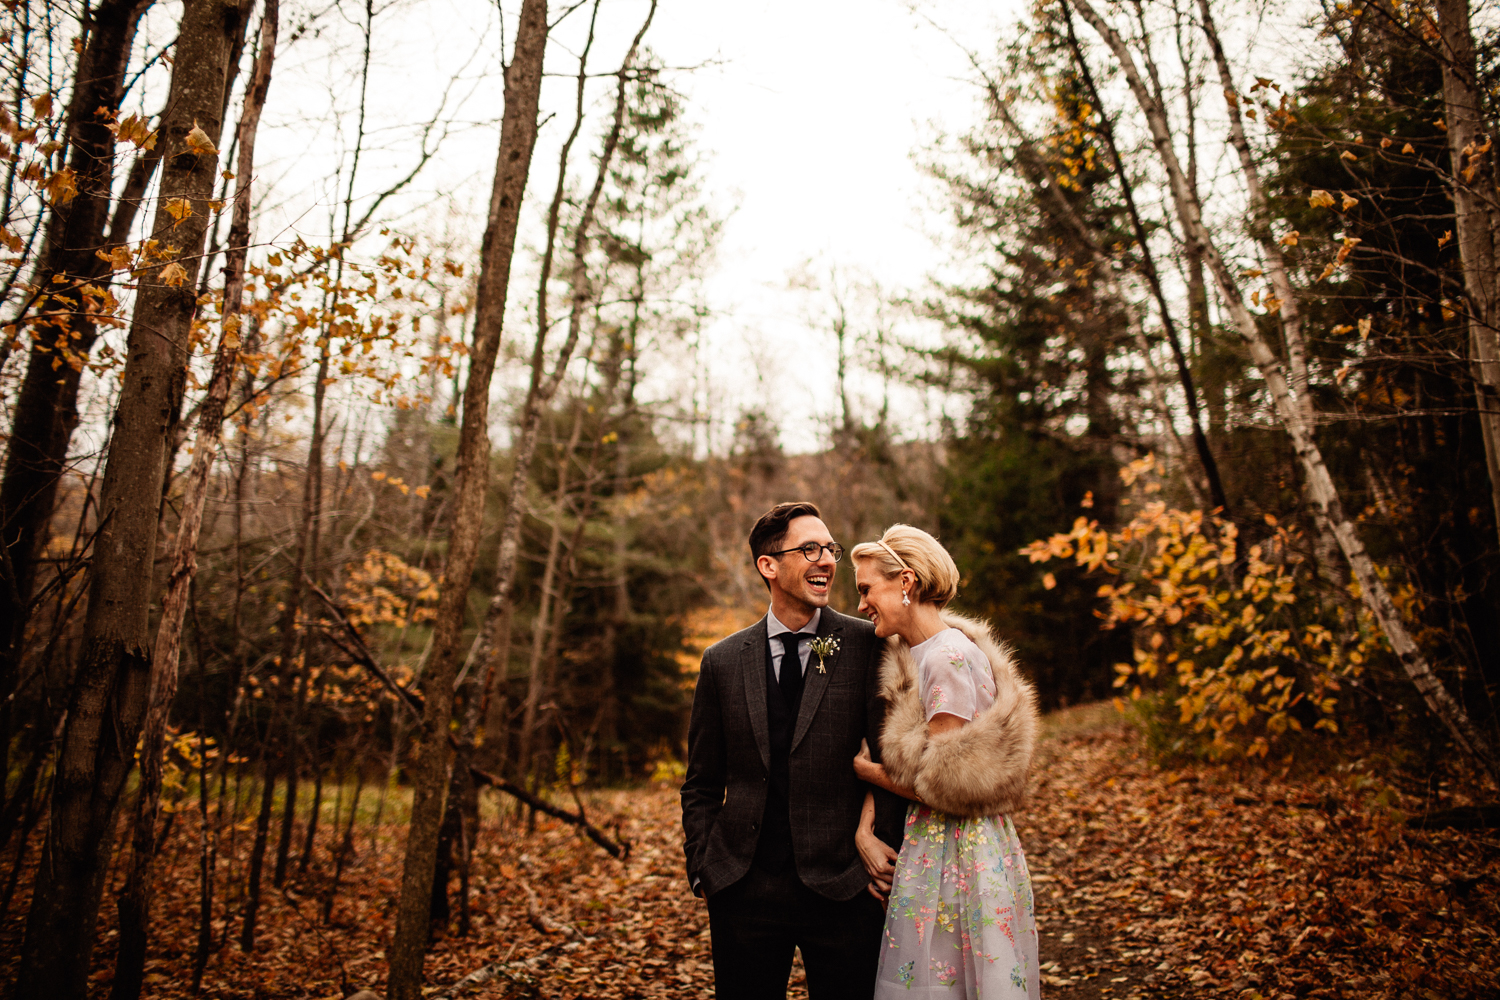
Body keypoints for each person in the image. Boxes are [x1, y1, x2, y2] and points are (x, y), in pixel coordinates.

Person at [681, 501, 905, 1000]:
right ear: (769, 566)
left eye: (830, 548)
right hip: (742, 890)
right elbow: (700, 780)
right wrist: (705, 869)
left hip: (846, 888)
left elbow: (892, 758)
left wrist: (879, 850)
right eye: (809, 549)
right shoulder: (721, 662)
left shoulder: (867, 645)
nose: (826, 560)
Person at [850, 524, 1041, 999]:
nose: (860, 605)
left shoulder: (945, 657)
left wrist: (867, 771)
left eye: (866, 589)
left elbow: (943, 785)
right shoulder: (928, 652)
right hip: (956, 840)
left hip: (956, 847)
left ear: (906, 583)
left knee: (946, 979)